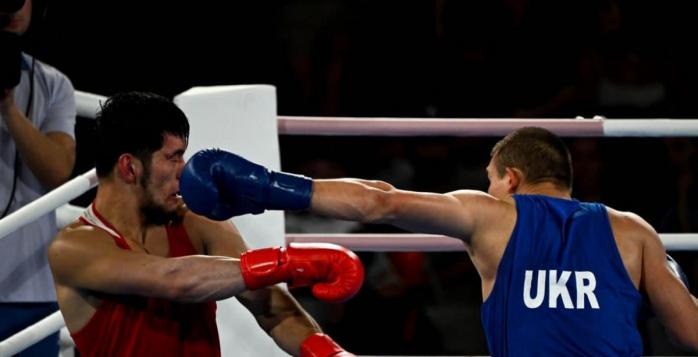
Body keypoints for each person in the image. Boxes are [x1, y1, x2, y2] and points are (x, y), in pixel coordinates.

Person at [180, 126, 698, 356]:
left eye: (493, 179)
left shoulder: (493, 214)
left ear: (510, 178)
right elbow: (691, 334)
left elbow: (378, 201)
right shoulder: (634, 231)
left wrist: (266, 188)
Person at [47, 92, 362, 357]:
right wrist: (287, 262)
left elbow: (270, 306)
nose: (184, 171)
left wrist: (328, 352)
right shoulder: (75, 246)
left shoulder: (194, 221)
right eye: (173, 158)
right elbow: (175, 280)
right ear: (130, 167)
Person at [0, 0, 76, 354]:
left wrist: (9, 109)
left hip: (29, 289)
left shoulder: (53, 84)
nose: (12, 7)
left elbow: (59, 171)